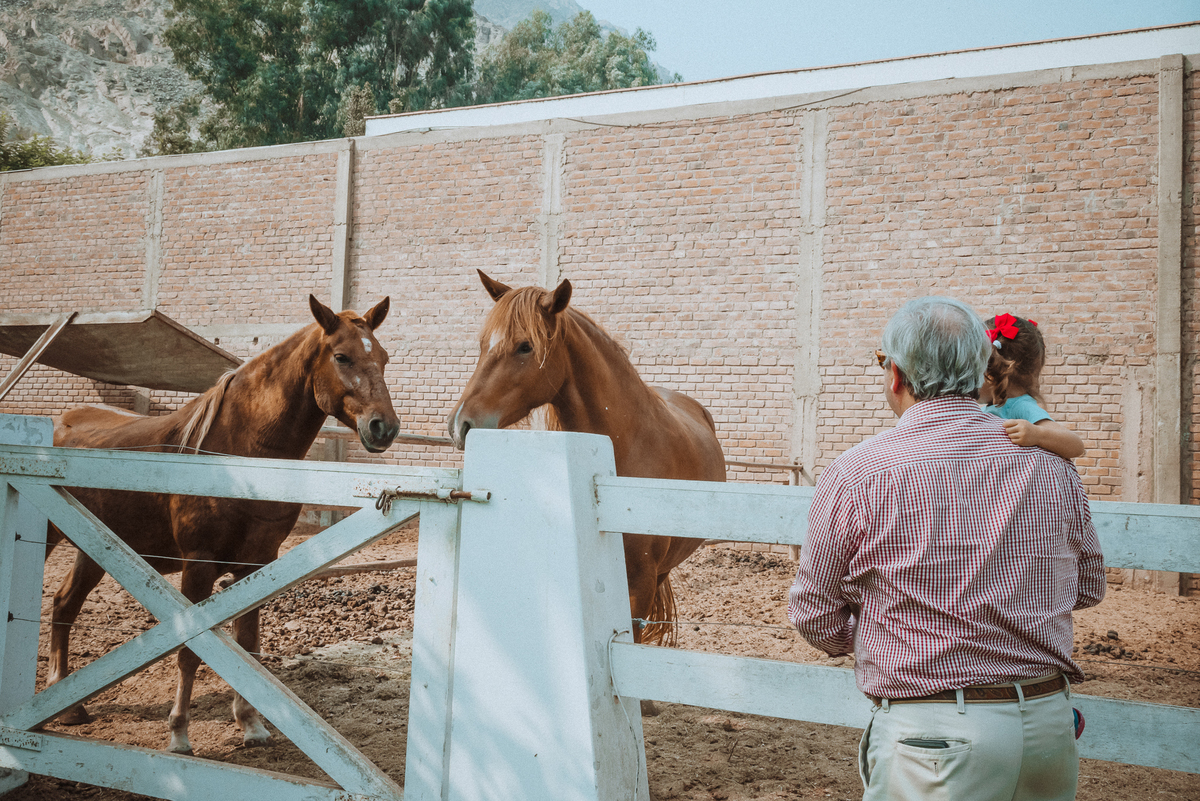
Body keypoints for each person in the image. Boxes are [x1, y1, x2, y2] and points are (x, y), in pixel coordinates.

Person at [788, 296, 1105, 801]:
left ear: (895, 374)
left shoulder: (860, 471)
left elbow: (814, 614)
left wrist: (893, 635)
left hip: (933, 736)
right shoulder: (1048, 461)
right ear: (982, 371)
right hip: (1046, 727)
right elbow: (1087, 587)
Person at [981, 312, 1085, 460]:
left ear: (992, 374)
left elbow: (1076, 446)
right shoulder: (988, 408)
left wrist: (1036, 434)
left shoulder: (1020, 406)